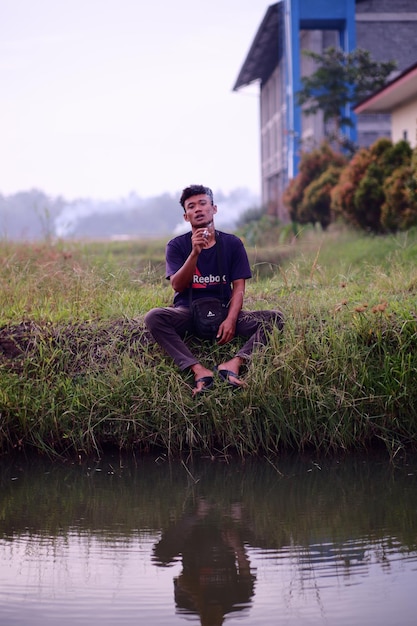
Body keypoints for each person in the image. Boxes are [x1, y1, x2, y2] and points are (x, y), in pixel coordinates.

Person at [145, 184, 284, 395]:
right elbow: (177, 285)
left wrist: (230, 319)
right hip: (188, 313)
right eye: (191, 206)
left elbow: (239, 288)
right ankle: (198, 370)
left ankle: (234, 364)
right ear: (186, 216)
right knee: (154, 317)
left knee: (275, 318)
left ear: (214, 208)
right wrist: (195, 253)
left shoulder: (232, 244)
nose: (198, 209)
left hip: (225, 312)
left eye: (203, 203)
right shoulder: (176, 246)